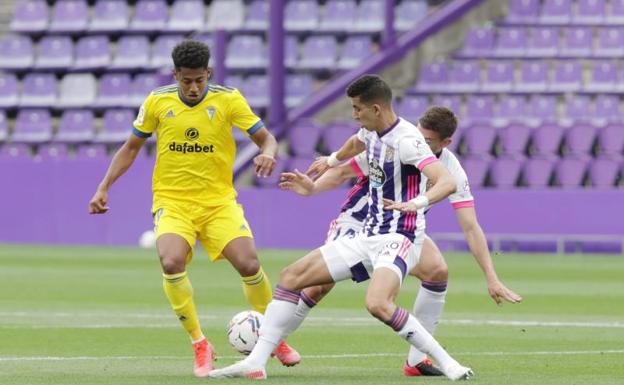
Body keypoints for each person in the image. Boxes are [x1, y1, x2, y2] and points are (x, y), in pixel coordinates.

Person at [209, 74, 473, 380]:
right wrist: (332, 160)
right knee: (291, 276)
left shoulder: (407, 142)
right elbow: (356, 141)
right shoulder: (373, 130)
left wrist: (416, 203)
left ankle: (449, 363)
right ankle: (255, 362)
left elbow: (447, 181)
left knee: (377, 303)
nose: (354, 114)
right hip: (367, 233)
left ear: (376, 108)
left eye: (357, 108)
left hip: (399, 236)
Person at [87, 40, 299, 377]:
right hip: (172, 202)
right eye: (186, 80)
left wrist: (269, 153)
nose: (193, 87)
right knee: (170, 261)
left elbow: (266, 138)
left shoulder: (228, 99)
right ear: (175, 75)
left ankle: (273, 339)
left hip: (218, 203)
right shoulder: (158, 101)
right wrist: (103, 187)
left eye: (199, 79)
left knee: (248, 263)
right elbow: (130, 148)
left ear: (208, 73)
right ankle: (200, 344)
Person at [279, 106, 522, 377]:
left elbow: (470, 226)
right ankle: (272, 337)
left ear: (446, 143)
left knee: (437, 271)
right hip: (358, 220)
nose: (419, 141)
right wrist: (315, 185)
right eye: (419, 133)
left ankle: (416, 361)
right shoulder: (395, 145)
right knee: (318, 286)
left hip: (399, 228)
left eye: (428, 140)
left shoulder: (452, 170)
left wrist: (491, 277)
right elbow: (341, 172)